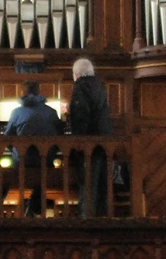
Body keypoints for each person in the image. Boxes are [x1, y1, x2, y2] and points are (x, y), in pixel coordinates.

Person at [0, 80, 63, 217]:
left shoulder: (17, 112)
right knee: (44, 168)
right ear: (39, 92)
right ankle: (31, 209)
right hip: (44, 161)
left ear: (22, 93)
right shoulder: (51, 112)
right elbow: (60, 136)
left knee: (7, 175)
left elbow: (7, 137)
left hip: (22, 161)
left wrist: (14, 151)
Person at [68, 57, 112, 216]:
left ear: (76, 74)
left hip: (89, 145)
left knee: (88, 186)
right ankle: (101, 223)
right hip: (104, 143)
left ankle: (86, 224)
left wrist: (77, 143)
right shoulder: (99, 85)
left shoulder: (81, 87)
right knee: (100, 188)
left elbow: (81, 117)